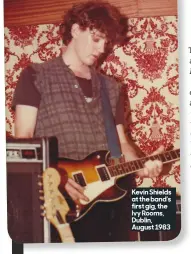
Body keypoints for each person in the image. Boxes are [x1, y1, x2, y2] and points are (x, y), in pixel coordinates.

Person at [12, 1, 163, 242]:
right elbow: (24, 142)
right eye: (96, 38)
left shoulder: (111, 87)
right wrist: (56, 178)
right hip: (61, 202)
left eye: (106, 42)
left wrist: (143, 166)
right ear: (75, 29)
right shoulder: (36, 76)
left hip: (113, 201)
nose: (102, 48)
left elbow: (122, 144)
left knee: (158, 219)